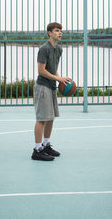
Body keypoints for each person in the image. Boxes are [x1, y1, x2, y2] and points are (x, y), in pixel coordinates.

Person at [31, 22, 71, 161]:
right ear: (49, 33)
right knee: (42, 119)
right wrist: (58, 79)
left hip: (51, 86)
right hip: (42, 86)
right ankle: (37, 149)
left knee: (50, 117)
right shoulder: (44, 49)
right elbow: (41, 71)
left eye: (61, 31)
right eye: (56, 30)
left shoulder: (59, 49)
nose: (60, 33)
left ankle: (46, 144)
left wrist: (60, 79)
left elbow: (52, 69)